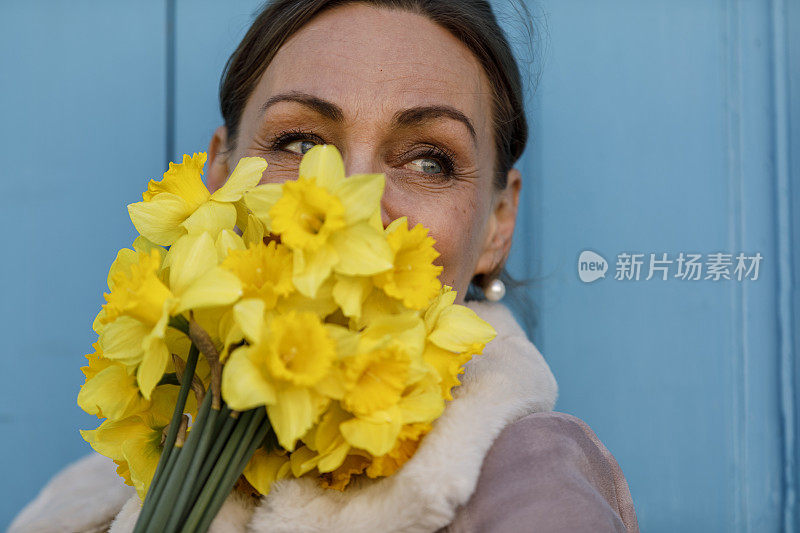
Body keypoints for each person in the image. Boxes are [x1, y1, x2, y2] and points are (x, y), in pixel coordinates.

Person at [11, 1, 639, 531]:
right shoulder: (87, 497)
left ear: (498, 225)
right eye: (300, 144)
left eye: (429, 161)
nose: (349, 202)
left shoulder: (532, 490)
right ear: (221, 177)